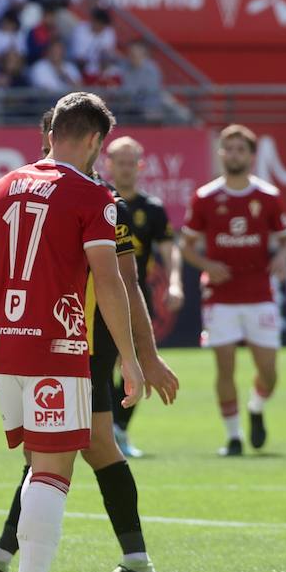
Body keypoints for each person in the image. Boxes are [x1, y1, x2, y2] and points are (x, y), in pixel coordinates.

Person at [0, 93, 150, 572]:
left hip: (4, 346)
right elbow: (109, 281)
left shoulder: (3, 186)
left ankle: (5, 564)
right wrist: (129, 358)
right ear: (93, 141)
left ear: (51, 130)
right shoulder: (93, 196)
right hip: (57, 345)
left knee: (37, 463)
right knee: (53, 472)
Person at [180, 124, 286, 456]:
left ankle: (256, 407)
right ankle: (233, 437)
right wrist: (207, 266)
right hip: (220, 296)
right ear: (220, 154)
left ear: (251, 156)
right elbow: (186, 245)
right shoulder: (205, 198)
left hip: (260, 292)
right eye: (227, 149)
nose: (233, 155)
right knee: (225, 367)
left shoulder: (268, 197)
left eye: (240, 149)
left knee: (269, 371)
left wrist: (283, 258)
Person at [105, 136, 184, 458]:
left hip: (135, 297)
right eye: (119, 162)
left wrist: (176, 282)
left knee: (135, 364)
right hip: (100, 296)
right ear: (107, 164)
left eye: (130, 163)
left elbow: (169, 249)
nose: (125, 169)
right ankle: (106, 429)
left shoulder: (151, 209)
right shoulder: (101, 201)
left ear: (139, 166)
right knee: (102, 365)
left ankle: (118, 430)